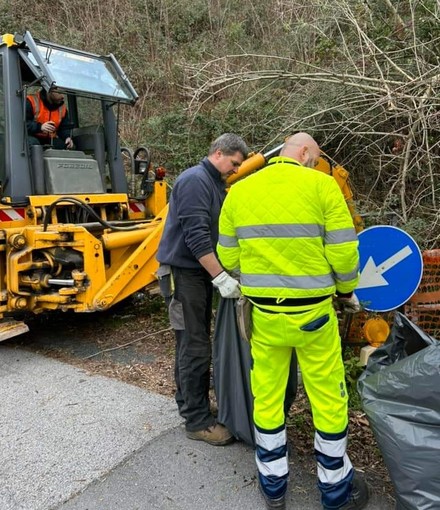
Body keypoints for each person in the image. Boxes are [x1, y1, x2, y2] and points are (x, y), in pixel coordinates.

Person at [217, 133, 369, 510]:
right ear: (304, 153)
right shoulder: (322, 185)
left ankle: (273, 488)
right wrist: (347, 291)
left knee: (267, 398)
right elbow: (344, 252)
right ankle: (335, 493)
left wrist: (256, 279)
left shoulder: (240, 191)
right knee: (328, 398)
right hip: (314, 316)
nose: (315, 164)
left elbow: (227, 253)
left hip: (264, 317)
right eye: (315, 158)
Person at [156, 133, 249, 446]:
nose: (236, 169)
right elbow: (196, 238)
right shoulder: (195, 181)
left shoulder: (214, 184)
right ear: (219, 153)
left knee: (191, 341)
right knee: (195, 345)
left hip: (196, 274)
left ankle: (189, 403)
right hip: (184, 274)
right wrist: (221, 277)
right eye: (234, 163)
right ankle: (196, 421)